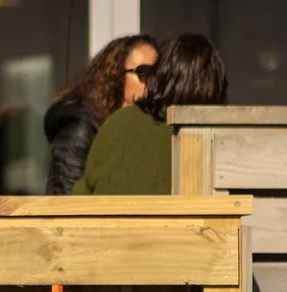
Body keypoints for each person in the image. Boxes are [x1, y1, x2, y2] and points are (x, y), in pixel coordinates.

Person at [73, 33, 228, 195]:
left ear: (161, 74)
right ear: (216, 87)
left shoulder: (116, 123)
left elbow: (80, 196)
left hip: (109, 220)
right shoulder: (218, 139)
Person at [44, 33, 158, 194]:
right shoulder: (81, 125)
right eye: (144, 73)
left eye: (158, 76)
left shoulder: (147, 124)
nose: (152, 84)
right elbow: (64, 197)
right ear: (116, 74)